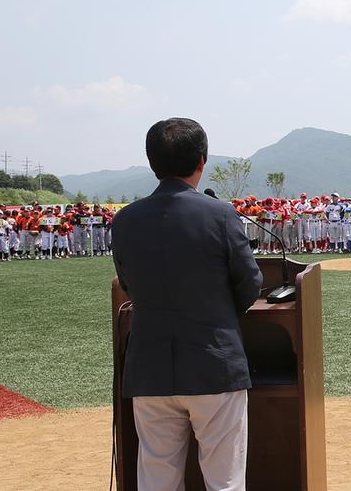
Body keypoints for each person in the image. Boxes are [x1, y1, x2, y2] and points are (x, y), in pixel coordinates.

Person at [112, 118, 262, 490]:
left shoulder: (125, 220)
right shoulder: (221, 214)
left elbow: (128, 284)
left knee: (157, 480)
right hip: (214, 364)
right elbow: (250, 284)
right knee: (224, 480)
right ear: (201, 161)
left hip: (150, 367)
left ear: (152, 163)